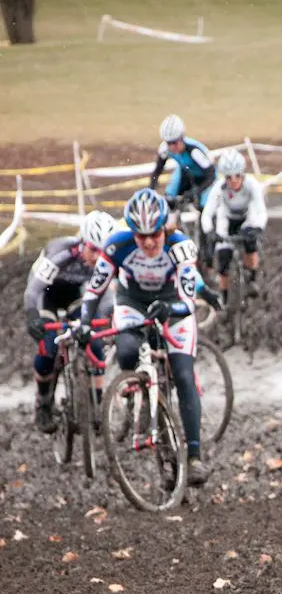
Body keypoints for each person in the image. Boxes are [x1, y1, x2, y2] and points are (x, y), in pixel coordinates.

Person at [79, 188, 220, 487]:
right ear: (131, 232)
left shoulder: (179, 245)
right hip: (133, 302)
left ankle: (194, 456)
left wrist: (171, 308)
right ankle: (138, 398)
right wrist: (83, 322)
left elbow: (189, 300)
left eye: (154, 234)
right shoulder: (117, 246)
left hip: (173, 304)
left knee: (183, 374)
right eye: (140, 236)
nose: (148, 242)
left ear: (164, 228)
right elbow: (95, 289)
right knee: (128, 351)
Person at [24, 210, 117, 433]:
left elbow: (106, 295)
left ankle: (97, 406)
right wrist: (32, 316)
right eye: (93, 249)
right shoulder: (61, 252)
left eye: (102, 251)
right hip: (47, 295)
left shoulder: (106, 262)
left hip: (77, 295)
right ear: (83, 242)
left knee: (94, 343)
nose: (96, 257)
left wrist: (106, 317)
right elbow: (33, 290)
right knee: (48, 347)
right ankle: (44, 402)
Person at [200, 148, 267, 302]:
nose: (234, 180)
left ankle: (252, 278)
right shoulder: (219, 187)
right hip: (227, 219)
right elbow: (207, 213)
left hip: (247, 217)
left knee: (250, 242)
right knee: (223, 261)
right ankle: (223, 299)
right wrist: (209, 231)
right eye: (229, 177)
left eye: (237, 175)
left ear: (243, 173)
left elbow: (261, 211)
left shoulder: (252, 185)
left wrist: (258, 228)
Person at [149, 115, 216, 213]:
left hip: (207, 177)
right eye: (169, 143)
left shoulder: (194, 151)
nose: (172, 147)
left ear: (182, 138)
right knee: (169, 200)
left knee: (204, 209)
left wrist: (195, 193)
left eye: (175, 143)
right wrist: (151, 189)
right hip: (186, 171)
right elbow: (157, 171)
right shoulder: (164, 149)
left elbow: (211, 176)